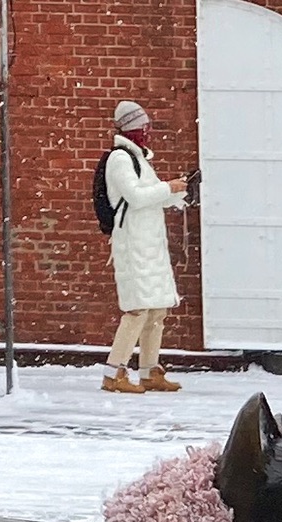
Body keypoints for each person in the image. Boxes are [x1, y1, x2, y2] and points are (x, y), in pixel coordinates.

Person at [101, 100, 190, 395]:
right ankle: (114, 372)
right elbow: (136, 197)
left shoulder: (139, 158)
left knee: (157, 311)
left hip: (150, 246)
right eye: (142, 127)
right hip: (133, 246)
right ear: (131, 128)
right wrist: (169, 188)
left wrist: (179, 192)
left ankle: (150, 370)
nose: (146, 132)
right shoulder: (121, 159)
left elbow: (149, 197)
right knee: (137, 310)